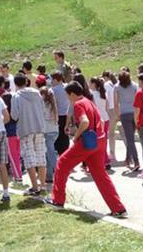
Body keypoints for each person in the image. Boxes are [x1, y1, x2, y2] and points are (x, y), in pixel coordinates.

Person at [45, 82, 127, 218]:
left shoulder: (78, 104)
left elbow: (85, 122)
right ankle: (118, 208)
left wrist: (76, 137)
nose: (67, 98)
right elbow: (100, 120)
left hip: (87, 142)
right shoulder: (89, 101)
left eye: (67, 95)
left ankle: (57, 200)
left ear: (72, 94)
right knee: (101, 175)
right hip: (99, 140)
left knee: (62, 163)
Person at [11, 74, 48, 195]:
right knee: (41, 156)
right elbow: (43, 109)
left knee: (29, 158)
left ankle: (34, 186)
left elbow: (14, 115)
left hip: (25, 129)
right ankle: (42, 185)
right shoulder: (36, 93)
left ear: (16, 84)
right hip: (39, 127)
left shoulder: (16, 96)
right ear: (26, 81)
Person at [115, 71, 139, 171]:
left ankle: (136, 161)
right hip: (134, 112)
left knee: (130, 139)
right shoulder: (134, 85)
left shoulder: (117, 87)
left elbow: (116, 103)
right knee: (131, 137)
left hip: (124, 114)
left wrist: (117, 116)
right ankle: (128, 158)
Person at [40, 82, 59, 184]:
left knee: (50, 153)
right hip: (55, 130)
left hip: (47, 131)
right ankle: (49, 176)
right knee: (48, 152)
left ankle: (57, 171)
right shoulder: (53, 104)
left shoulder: (43, 105)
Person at [51, 72, 71, 155]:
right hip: (68, 114)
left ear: (56, 79)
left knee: (59, 136)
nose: (52, 81)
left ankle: (60, 154)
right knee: (65, 134)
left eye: (52, 79)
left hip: (58, 115)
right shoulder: (67, 87)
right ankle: (66, 152)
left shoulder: (53, 90)